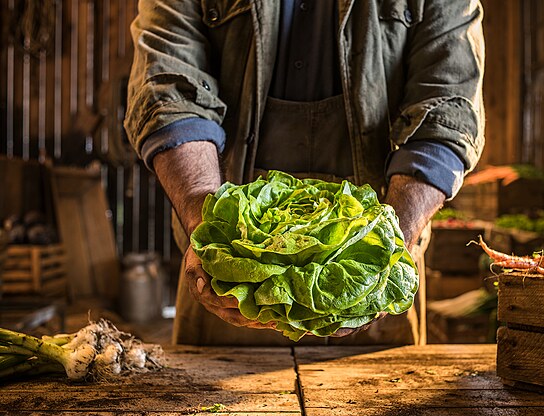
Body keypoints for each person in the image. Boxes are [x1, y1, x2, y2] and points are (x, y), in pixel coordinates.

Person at [124, 0, 485, 346]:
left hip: (369, 286)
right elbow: (168, 88)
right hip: (226, 285)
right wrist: (211, 231)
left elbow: (448, 105)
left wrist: (383, 258)